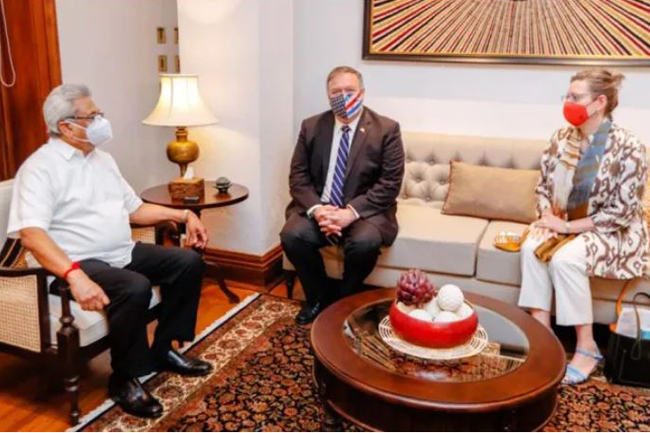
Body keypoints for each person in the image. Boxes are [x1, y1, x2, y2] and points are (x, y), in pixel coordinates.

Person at [7, 84, 213, 418]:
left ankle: (163, 349)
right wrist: (74, 275)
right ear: (66, 126)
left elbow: (134, 210)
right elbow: (31, 234)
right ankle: (125, 377)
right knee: (135, 286)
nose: (102, 120)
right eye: (93, 116)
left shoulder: (103, 160)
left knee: (187, 262)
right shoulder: (39, 168)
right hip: (74, 261)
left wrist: (183, 214)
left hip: (120, 251)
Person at [518, 69, 649, 384]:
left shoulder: (629, 147)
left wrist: (566, 228)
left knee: (566, 258)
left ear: (599, 102)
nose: (568, 102)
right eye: (567, 96)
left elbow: (620, 213)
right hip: (565, 223)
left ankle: (587, 347)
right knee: (531, 246)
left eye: (575, 97)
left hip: (613, 233)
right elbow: (542, 189)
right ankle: (542, 338)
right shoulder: (560, 139)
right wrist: (548, 218)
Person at [281, 66, 405, 325]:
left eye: (350, 90)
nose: (344, 96)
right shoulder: (312, 126)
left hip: (363, 211)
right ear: (328, 96)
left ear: (362, 93)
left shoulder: (386, 129)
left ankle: (345, 300)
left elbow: (389, 183)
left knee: (365, 243)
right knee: (292, 235)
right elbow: (298, 177)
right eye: (337, 92)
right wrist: (318, 209)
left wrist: (350, 213)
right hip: (321, 207)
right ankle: (317, 297)